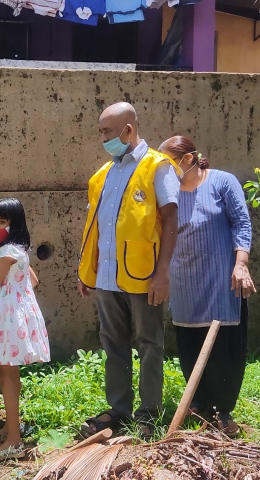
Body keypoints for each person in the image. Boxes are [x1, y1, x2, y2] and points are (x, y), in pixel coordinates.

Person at [77, 102, 180, 439]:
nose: (103, 138)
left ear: (128, 130)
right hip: (107, 277)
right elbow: (96, 227)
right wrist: (86, 270)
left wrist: (162, 273)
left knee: (150, 343)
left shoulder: (157, 167)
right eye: (101, 132)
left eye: (107, 132)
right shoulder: (104, 174)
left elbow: (170, 222)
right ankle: (119, 411)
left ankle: (149, 415)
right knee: (113, 344)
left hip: (144, 276)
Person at [159, 136, 254, 438]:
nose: (165, 170)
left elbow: (242, 222)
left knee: (225, 347)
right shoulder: (168, 193)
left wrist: (241, 263)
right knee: (189, 344)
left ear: (188, 160)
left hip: (220, 280)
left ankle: (223, 411)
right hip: (184, 281)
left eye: (169, 163)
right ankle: (198, 405)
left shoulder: (223, 183)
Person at [0, 198, 50, 460]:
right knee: (6, 371)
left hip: (7, 318)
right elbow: (33, 280)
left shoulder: (7, 252)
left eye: (2, 221)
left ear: (14, 223)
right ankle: (11, 426)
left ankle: (14, 440)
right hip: (16, 315)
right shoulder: (19, 248)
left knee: (6, 373)